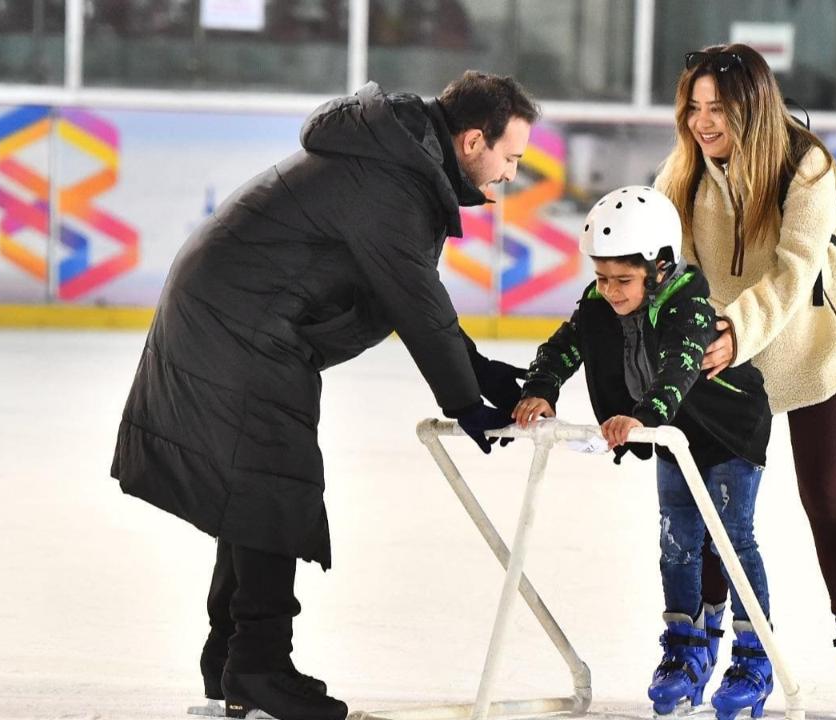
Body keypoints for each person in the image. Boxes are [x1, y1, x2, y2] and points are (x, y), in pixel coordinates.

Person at [110, 71, 539, 720]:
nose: (509, 176)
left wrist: (475, 371)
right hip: (241, 325)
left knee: (255, 485)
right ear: (474, 140)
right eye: (511, 158)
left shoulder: (394, 164)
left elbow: (404, 294)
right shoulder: (390, 182)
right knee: (272, 483)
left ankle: (231, 660)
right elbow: (416, 304)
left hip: (238, 316)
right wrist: (466, 401)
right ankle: (258, 666)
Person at [653, 44, 836, 716]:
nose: (702, 122)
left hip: (818, 350)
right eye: (693, 108)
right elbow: (674, 275)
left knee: (824, 492)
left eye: (717, 109)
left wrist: (729, 331)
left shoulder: (805, 164)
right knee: (715, 508)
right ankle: (702, 639)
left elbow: (793, 273)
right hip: (735, 361)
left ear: (751, 108)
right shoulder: (685, 177)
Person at [512, 186, 776, 720]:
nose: (609, 290)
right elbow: (567, 344)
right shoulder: (597, 302)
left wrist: (645, 416)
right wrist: (542, 387)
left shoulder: (690, 306)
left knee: (731, 540)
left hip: (727, 433)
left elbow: (681, 366)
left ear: (659, 267)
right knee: (677, 541)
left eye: (622, 280)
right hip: (670, 437)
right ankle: (684, 651)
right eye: (602, 277)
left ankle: (754, 658)